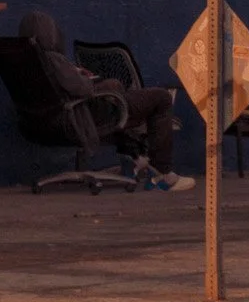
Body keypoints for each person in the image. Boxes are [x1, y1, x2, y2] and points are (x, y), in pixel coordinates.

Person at [17, 12, 191, 188]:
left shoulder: (29, 62)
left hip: (46, 123)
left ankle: (134, 159)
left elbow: (62, 85)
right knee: (160, 98)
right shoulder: (53, 59)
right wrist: (93, 82)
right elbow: (83, 89)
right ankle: (163, 176)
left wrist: (75, 73)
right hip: (83, 117)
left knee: (118, 93)